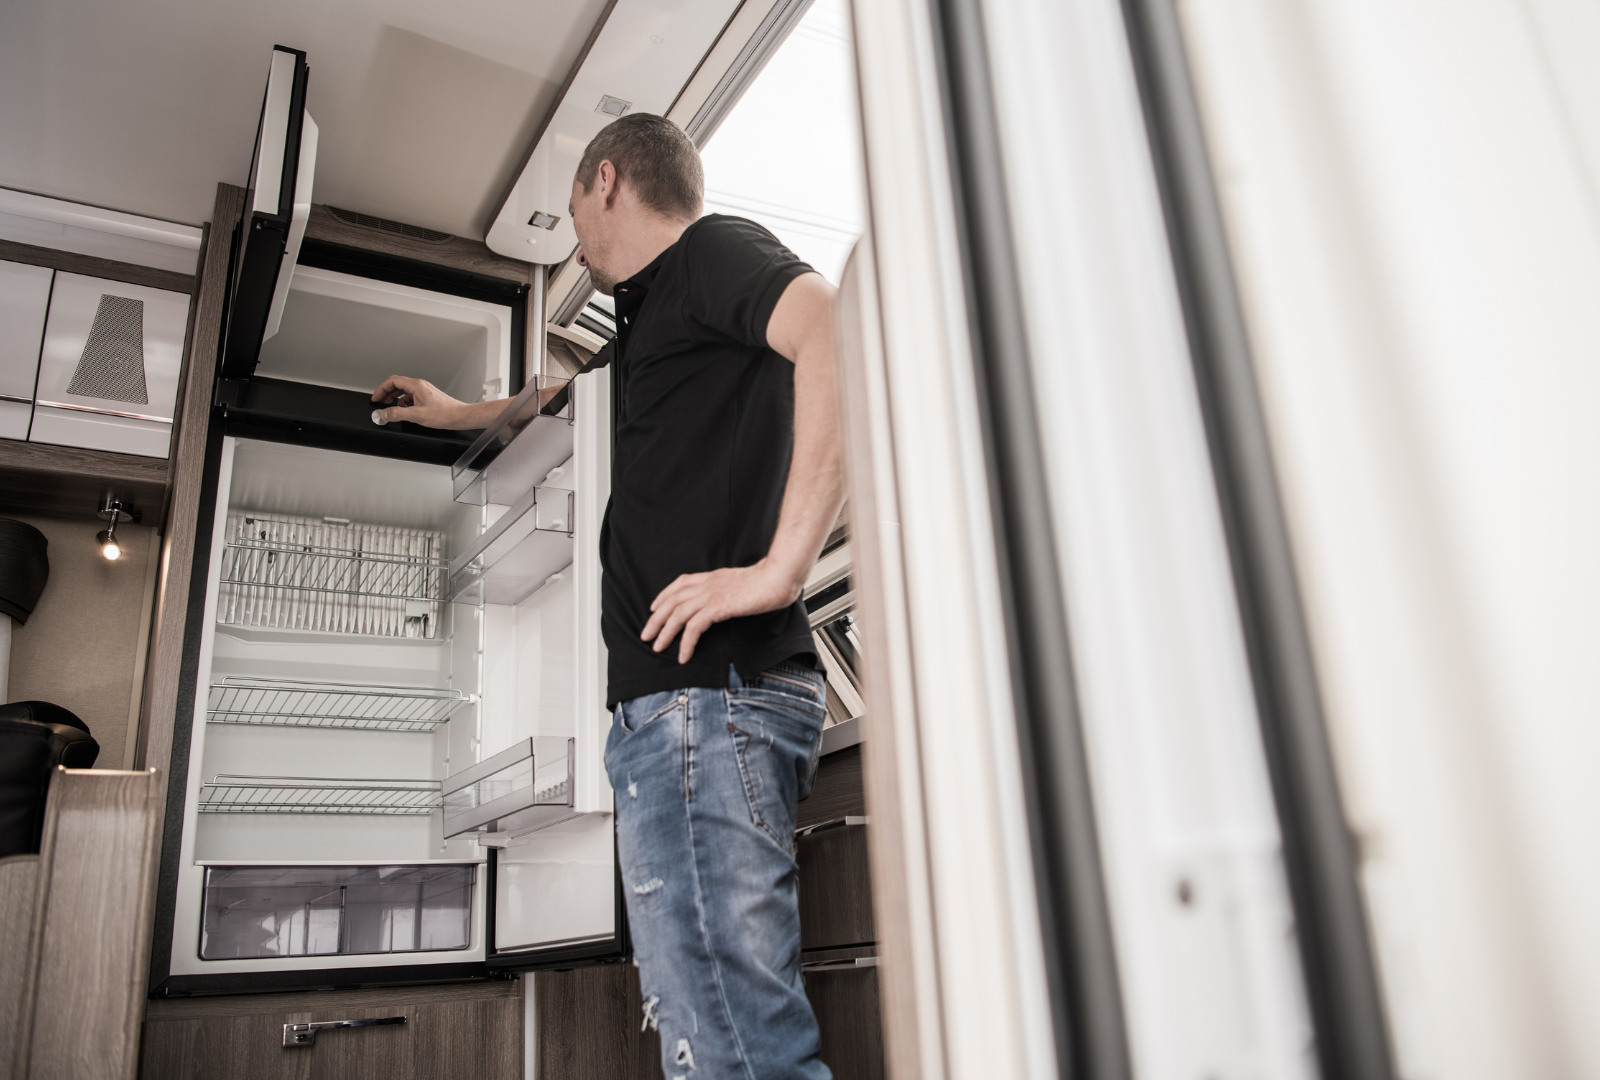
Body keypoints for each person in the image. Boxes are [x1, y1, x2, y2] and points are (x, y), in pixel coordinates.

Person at [372, 113, 843, 1080]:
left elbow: (837, 330)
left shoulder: (715, 251)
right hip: (680, 717)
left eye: (574, 207)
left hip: (709, 704)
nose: (574, 234)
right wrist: (453, 410)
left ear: (607, 181)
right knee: (710, 1034)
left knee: (733, 1052)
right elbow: (553, 403)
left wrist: (781, 569)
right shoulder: (652, 324)